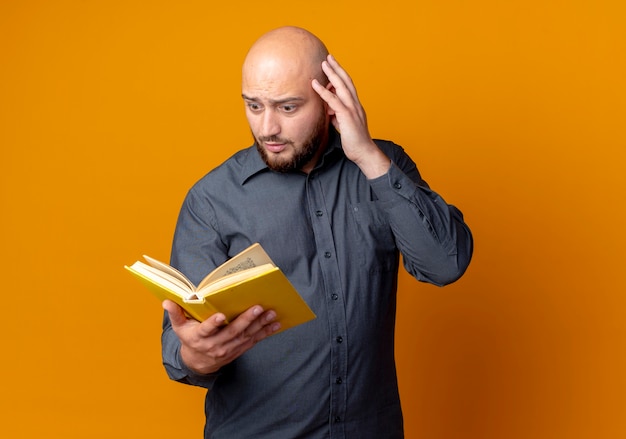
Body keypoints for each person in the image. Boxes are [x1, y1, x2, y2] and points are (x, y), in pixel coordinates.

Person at [161, 26, 473, 438]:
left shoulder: (383, 167)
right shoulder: (212, 200)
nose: (267, 128)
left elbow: (445, 263)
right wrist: (196, 353)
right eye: (253, 106)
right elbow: (179, 349)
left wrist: (367, 156)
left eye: (287, 108)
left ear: (331, 100)